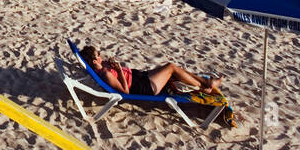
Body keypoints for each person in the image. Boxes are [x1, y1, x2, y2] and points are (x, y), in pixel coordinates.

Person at [80, 46, 221, 95]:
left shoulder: (101, 66)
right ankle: (206, 85)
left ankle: (205, 84)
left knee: (173, 69)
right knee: (171, 67)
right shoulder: (105, 74)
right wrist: (120, 71)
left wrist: (112, 64)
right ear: (94, 61)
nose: (101, 54)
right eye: (99, 54)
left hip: (139, 76)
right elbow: (125, 91)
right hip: (143, 87)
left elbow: (109, 65)